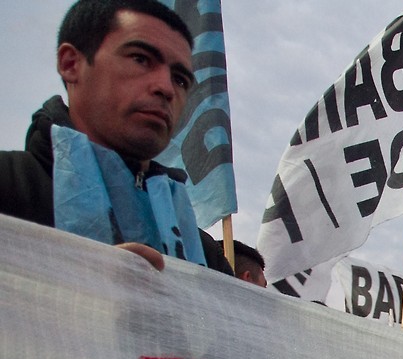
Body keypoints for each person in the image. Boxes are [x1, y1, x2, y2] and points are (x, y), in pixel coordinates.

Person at [0, 0, 232, 275]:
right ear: (70, 63)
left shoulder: (206, 257)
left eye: (180, 79)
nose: (166, 88)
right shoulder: (9, 185)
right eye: (140, 59)